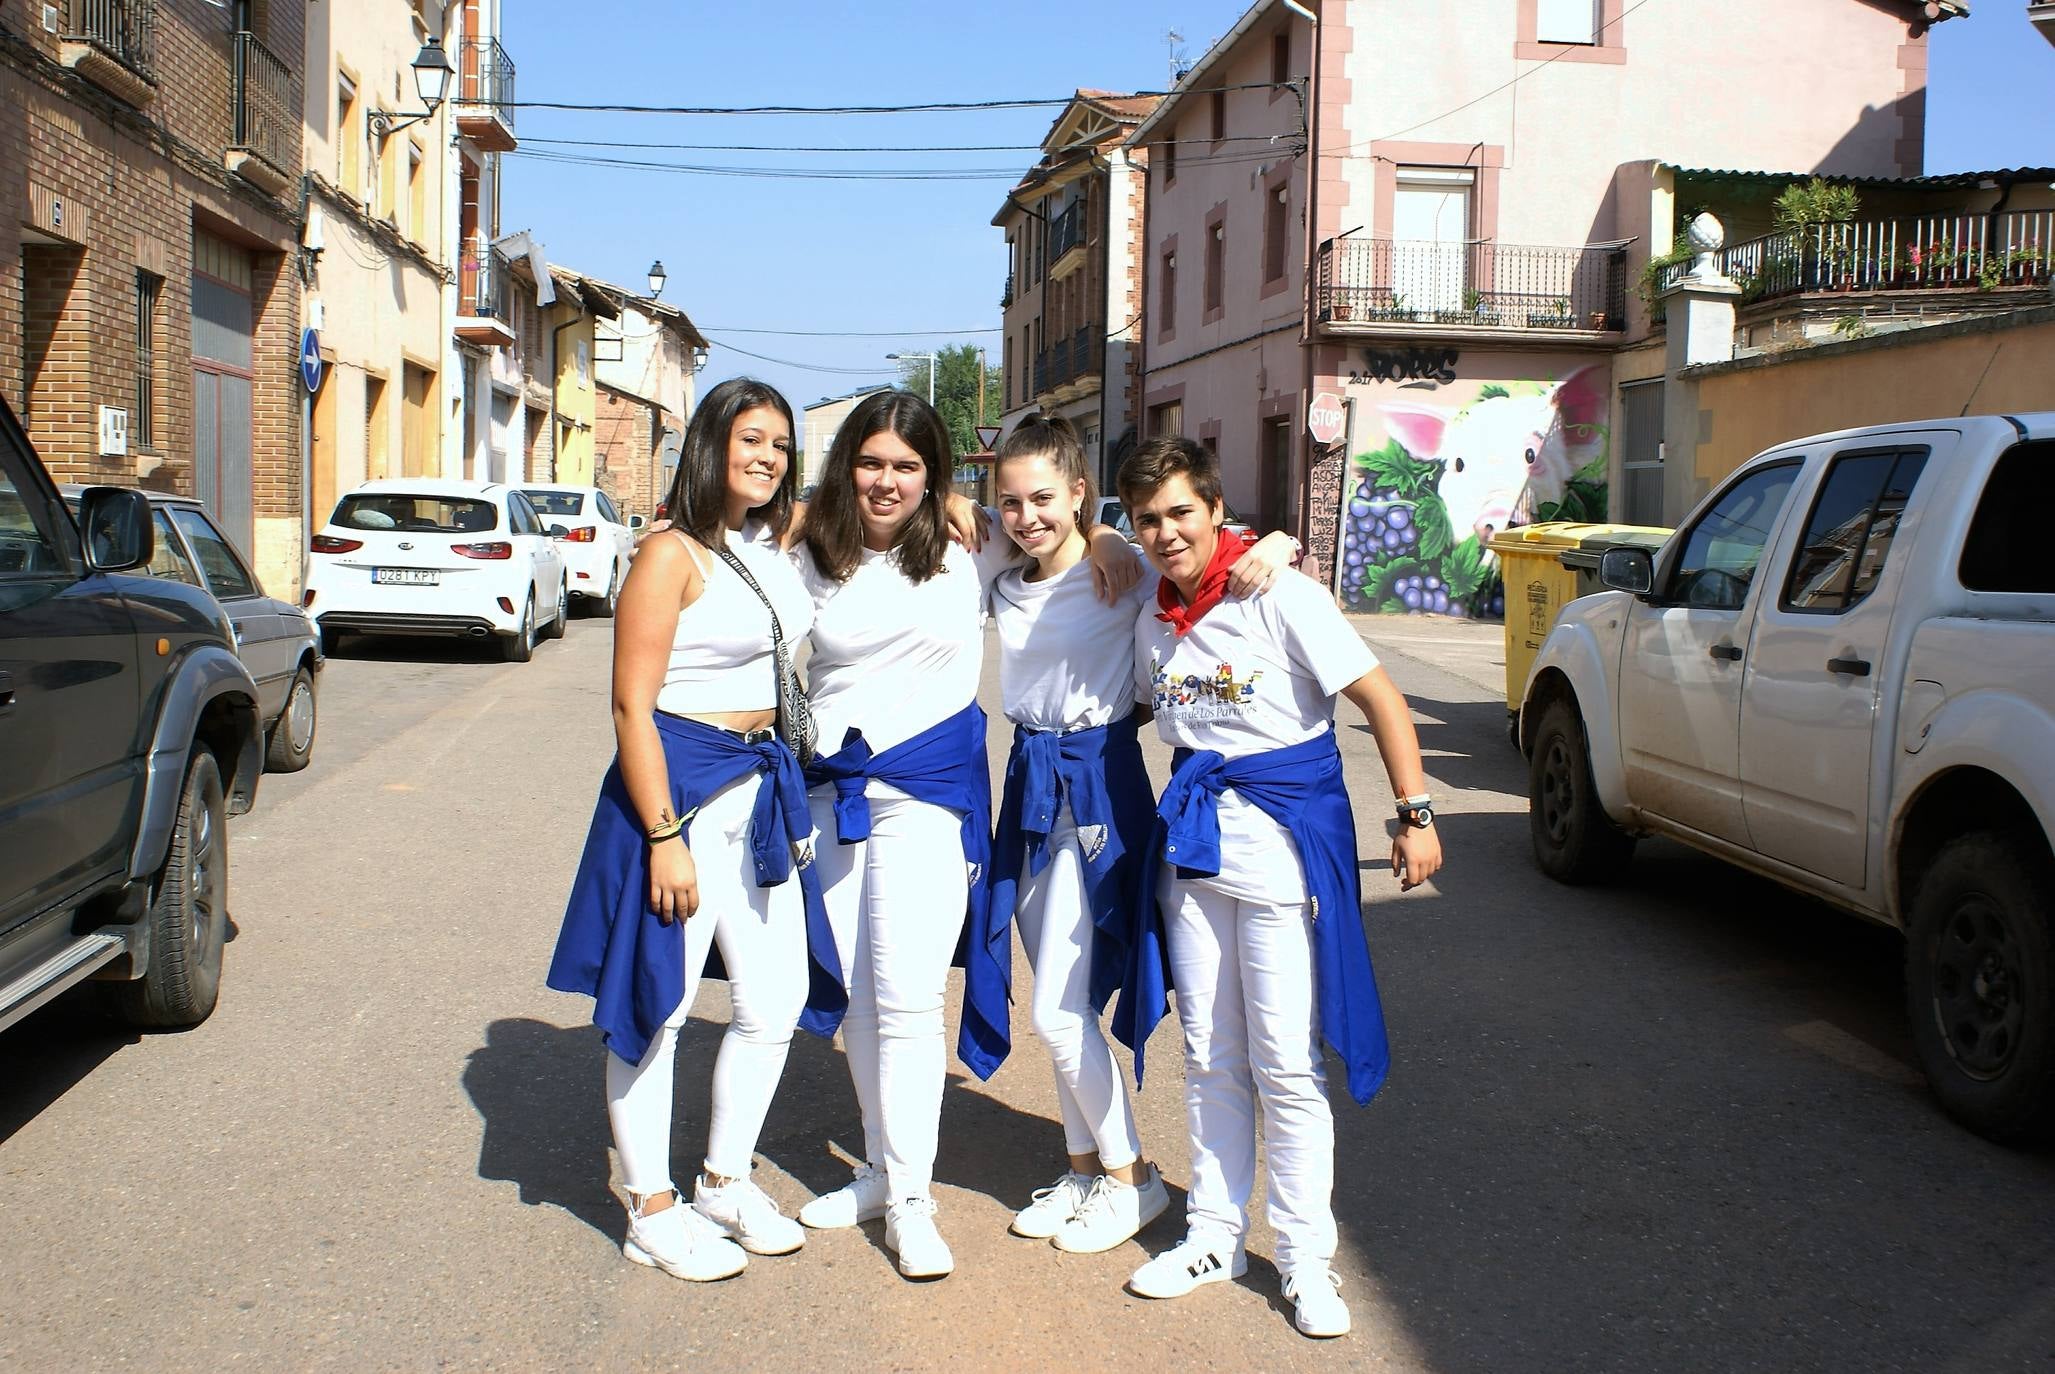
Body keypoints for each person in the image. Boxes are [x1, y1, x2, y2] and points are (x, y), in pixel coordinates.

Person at [788, 391, 1133, 1280]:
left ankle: (912, 1198)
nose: (886, 480)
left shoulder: (962, 547)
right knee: (860, 995)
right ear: (845, 466)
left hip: (929, 800)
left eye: (908, 466)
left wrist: (1101, 538)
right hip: (835, 798)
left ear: (935, 476)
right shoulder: (807, 554)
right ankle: (877, 1167)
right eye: (871, 462)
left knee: (906, 999)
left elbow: (1056, 532)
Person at [1111, 436, 1445, 1340]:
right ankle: (1213, 1232)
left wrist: (1413, 813)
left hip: (1283, 852)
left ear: (1215, 509)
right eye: (1148, 518)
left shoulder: (1278, 594)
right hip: (1193, 857)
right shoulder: (1152, 608)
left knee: (1285, 1065)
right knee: (1210, 1054)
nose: (1166, 532)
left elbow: (1379, 699)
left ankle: (1303, 1256)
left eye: (1181, 512)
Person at [547, 379, 840, 1284]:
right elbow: (632, 707)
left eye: (782, 445)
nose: (768, 456)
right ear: (711, 444)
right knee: (660, 1004)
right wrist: (663, 833)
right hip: (679, 792)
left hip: (760, 790)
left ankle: (721, 1178)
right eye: (751, 439)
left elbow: (897, 493)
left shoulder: (772, 540)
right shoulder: (669, 556)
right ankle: (649, 1204)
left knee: (773, 997)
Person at [985, 416, 1297, 1256]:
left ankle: (1133, 1179)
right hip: (1029, 787)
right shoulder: (998, 567)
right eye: (1010, 501)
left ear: (1080, 494)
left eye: (1044, 497)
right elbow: (924, 510)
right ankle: (1084, 1168)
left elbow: (1203, 545)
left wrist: (1282, 538)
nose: (1026, 515)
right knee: (1062, 1001)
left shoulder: (1120, 568)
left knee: (1059, 1005)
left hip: (1099, 783)